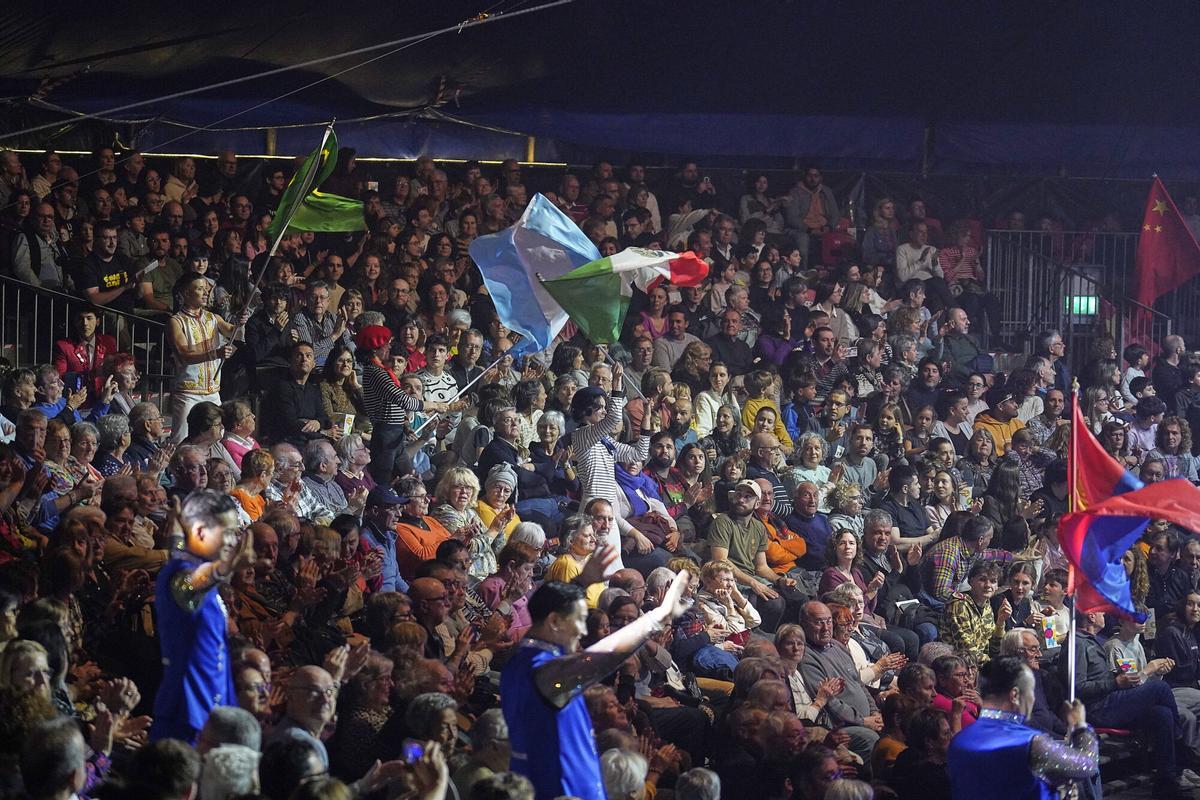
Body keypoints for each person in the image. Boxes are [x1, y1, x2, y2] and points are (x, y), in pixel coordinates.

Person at [500, 560, 690, 800]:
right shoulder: (541, 673)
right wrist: (656, 617)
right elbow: (605, 657)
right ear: (555, 622)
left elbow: (546, 609)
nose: (582, 631)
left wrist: (581, 584)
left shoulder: (531, 658)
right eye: (578, 621)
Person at [150, 490, 250, 743]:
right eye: (227, 532)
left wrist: (177, 528)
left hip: (211, 704)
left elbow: (178, 548)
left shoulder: (188, 562)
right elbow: (187, 587)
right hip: (186, 712)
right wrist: (225, 568)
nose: (233, 540)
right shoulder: (181, 575)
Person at [948, 657, 1099, 800]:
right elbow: (1087, 765)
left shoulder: (959, 740)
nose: (1033, 699)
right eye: (1031, 692)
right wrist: (1081, 727)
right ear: (1015, 695)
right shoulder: (1028, 742)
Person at [169, 271, 245, 442]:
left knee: (216, 437)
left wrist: (241, 322)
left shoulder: (213, 318)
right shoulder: (176, 321)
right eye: (200, 289)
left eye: (206, 289)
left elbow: (235, 333)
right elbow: (184, 354)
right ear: (187, 293)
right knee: (181, 438)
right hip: (189, 392)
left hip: (212, 390)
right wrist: (215, 353)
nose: (206, 293)